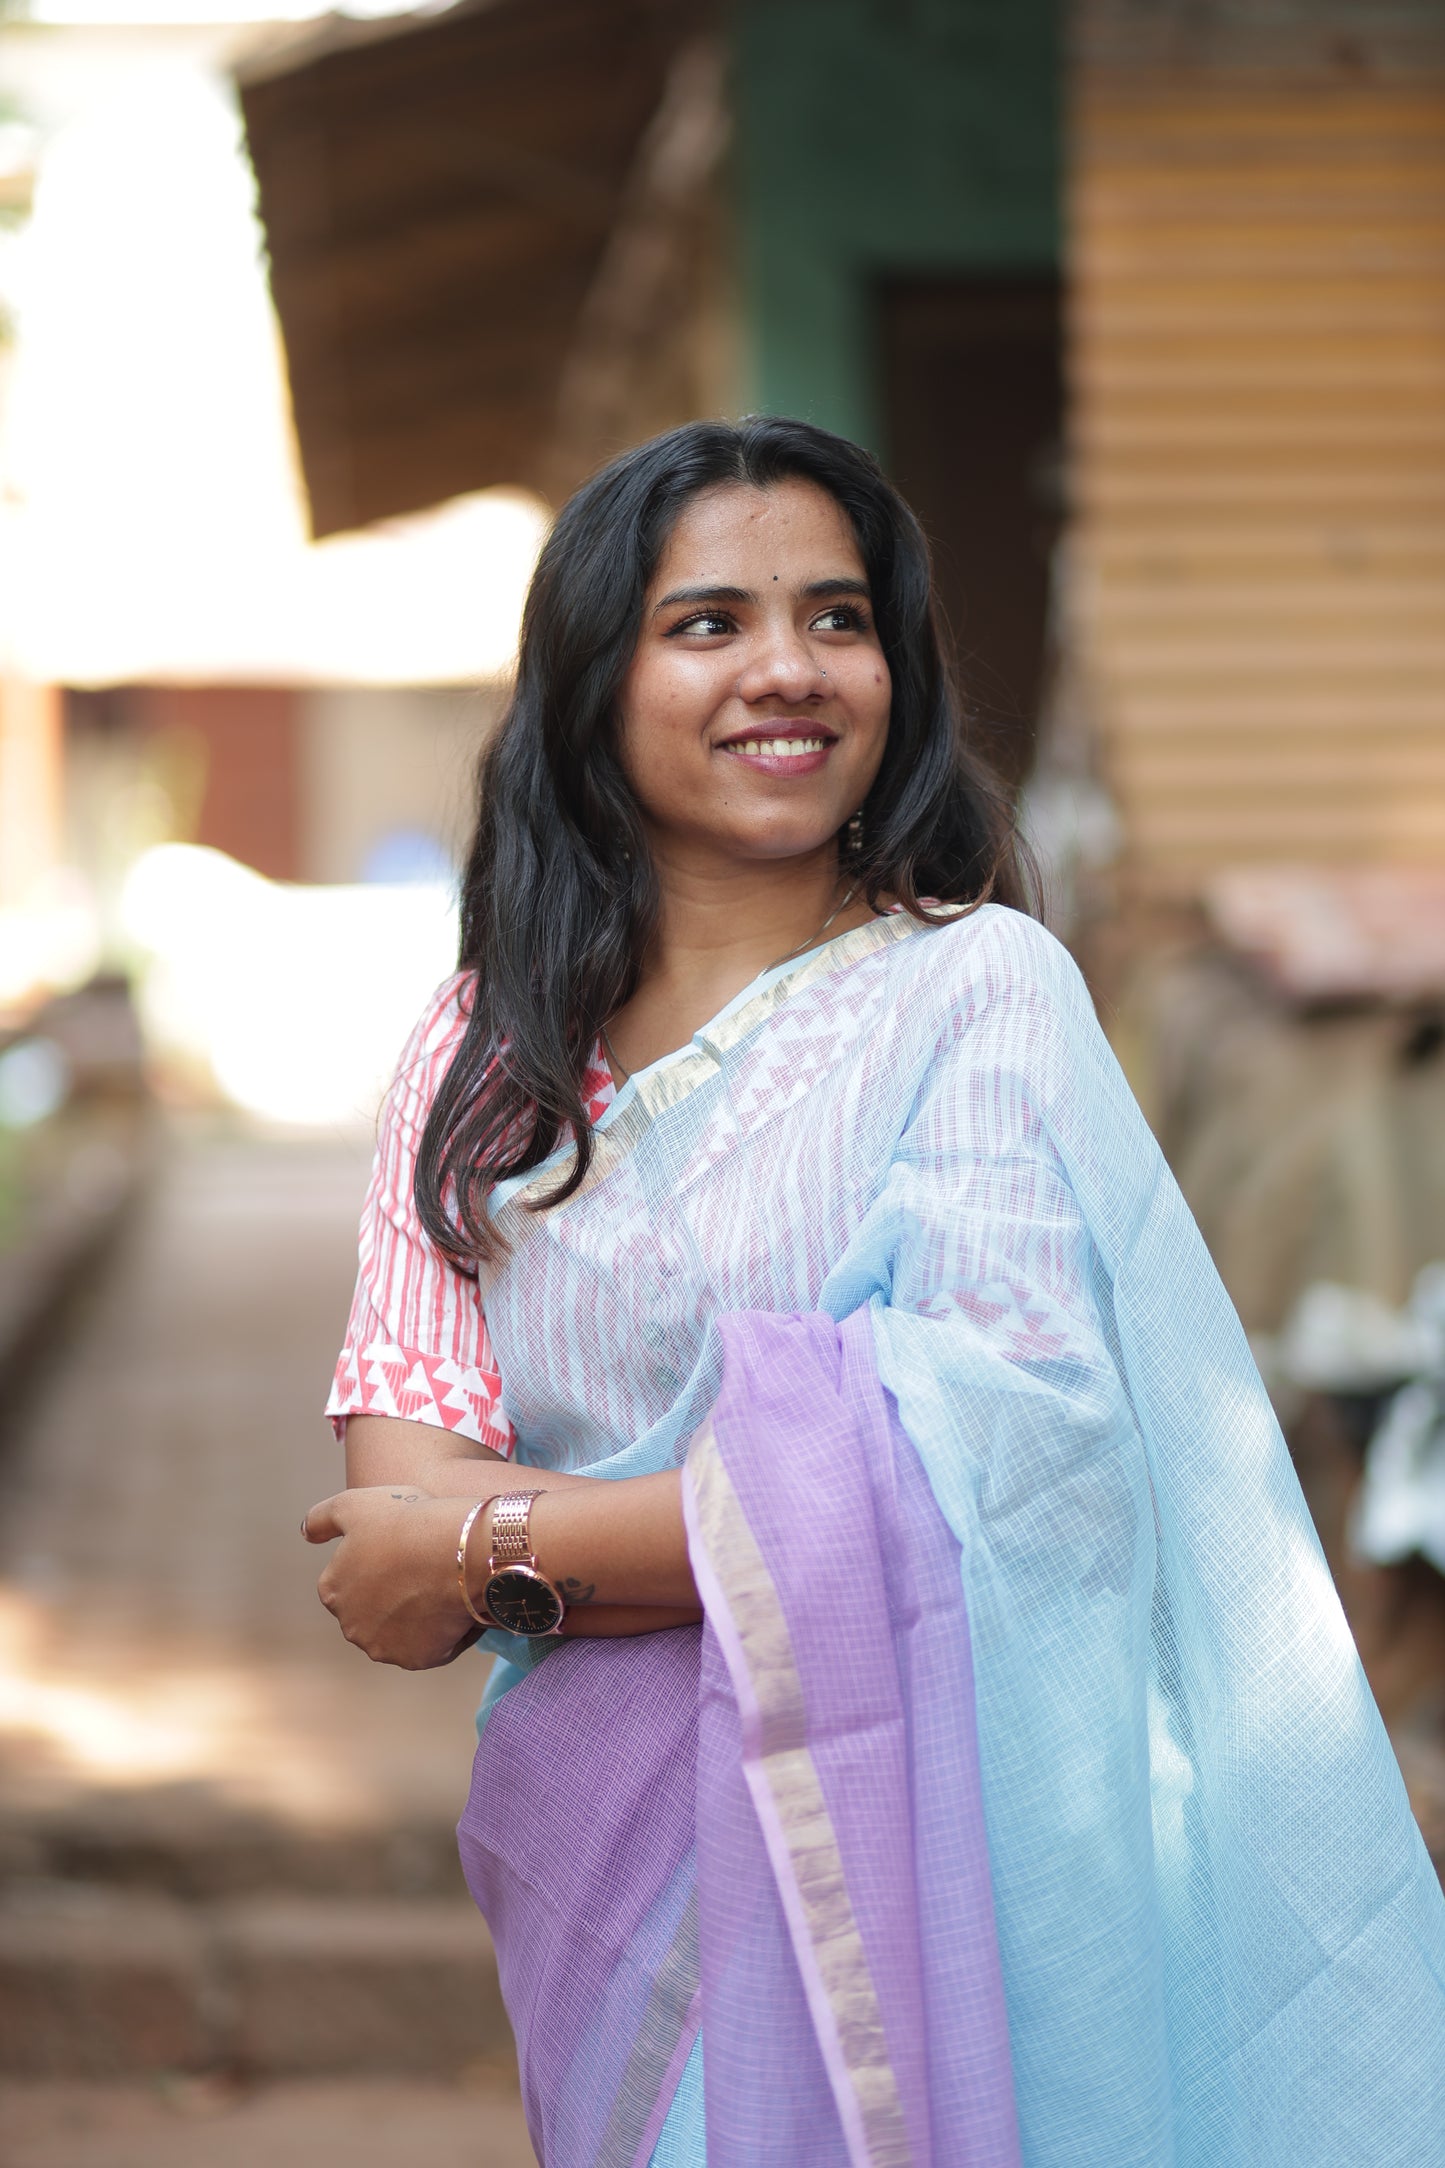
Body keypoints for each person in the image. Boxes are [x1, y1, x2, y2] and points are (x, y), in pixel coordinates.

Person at [304, 417, 1445, 2167]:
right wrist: (631, 1547)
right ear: (590, 675)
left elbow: (993, 1458)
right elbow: (395, 1539)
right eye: (708, 624)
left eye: (836, 618)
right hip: (611, 1865)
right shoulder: (481, 1053)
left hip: (931, 1846)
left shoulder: (974, 993)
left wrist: (513, 1552)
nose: (788, 669)